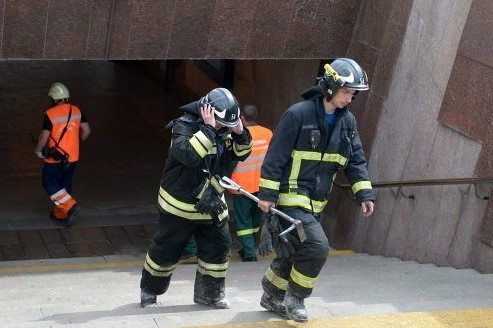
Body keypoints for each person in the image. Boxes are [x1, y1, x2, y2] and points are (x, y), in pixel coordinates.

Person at [257, 58, 375, 322]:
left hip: (316, 202)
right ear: (331, 87)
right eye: (347, 92)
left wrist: (364, 193)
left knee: (295, 249)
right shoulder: (298, 114)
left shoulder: (348, 123)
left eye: (353, 94)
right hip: (290, 198)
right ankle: (295, 297)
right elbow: (275, 157)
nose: (350, 99)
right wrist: (267, 196)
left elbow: (355, 160)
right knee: (317, 247)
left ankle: (271, 293)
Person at [140, 87, 252, 309]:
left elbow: (240, 154)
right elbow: (188, 156)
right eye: (221, 124)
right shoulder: (184, 126)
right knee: (166, 250)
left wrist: (240, 133)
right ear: (208, 112)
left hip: (212, 203)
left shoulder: (226, 129)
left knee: (218, 249)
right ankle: (149, 292)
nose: (223, 129)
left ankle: (210, 295)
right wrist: (209, 130)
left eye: (227, 126)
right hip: (179, 207)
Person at [34, 82, 91, 223]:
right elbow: (87, 131)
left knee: (49, 181)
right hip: (72, 156)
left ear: (54, 98)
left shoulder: (50, 114)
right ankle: (62, 214)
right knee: (65, 182)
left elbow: (44, 136)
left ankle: (70, 205)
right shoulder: (77, 110)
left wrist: (38, 150)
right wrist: (76, 144)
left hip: (55, 157)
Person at [230, 104, 272, 262]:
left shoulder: (240, 134)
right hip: (262, 186)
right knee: (255, 220)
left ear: (242, 119)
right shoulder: (268, 134)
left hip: (242, 186)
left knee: (243, 222)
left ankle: (249, 253)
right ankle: (249, 247)